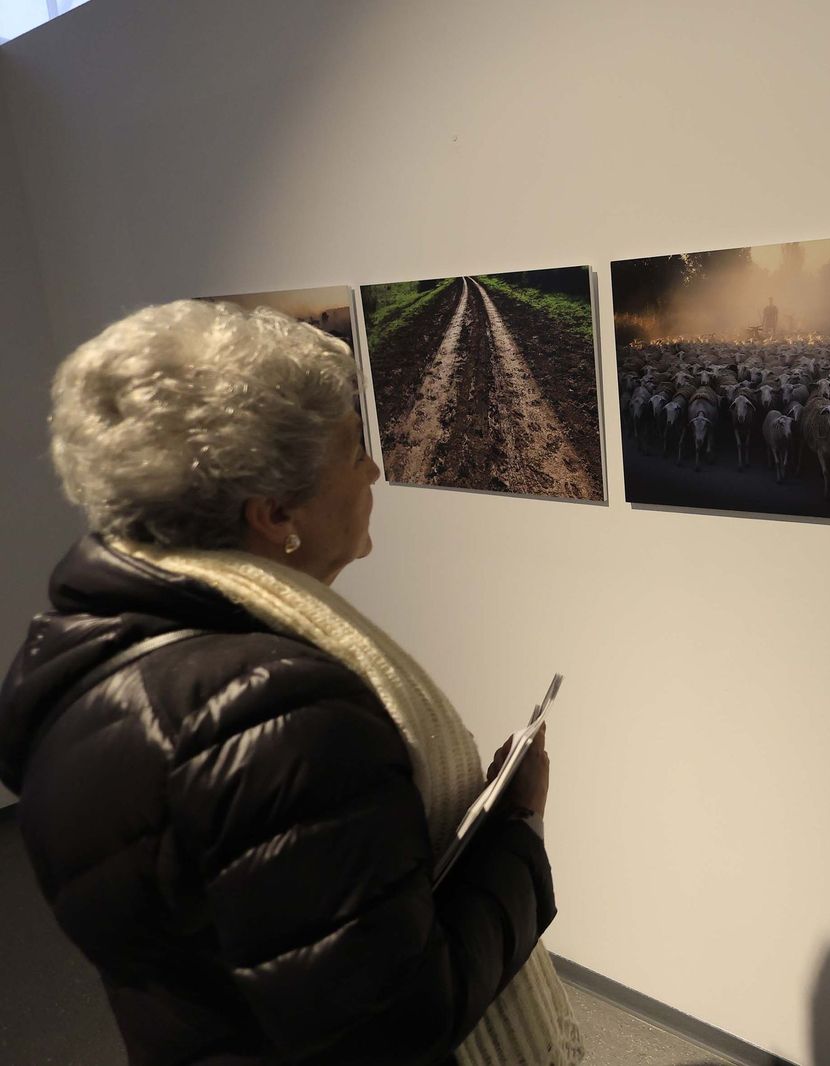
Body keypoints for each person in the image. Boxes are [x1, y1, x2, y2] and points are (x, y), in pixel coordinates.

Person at [0, 300, 583, 1066]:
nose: (374, 470)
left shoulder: (81, 658)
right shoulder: (276, 717)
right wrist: (517, 831)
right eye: (354, 451)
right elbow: (397, 1021)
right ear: (277, 515)